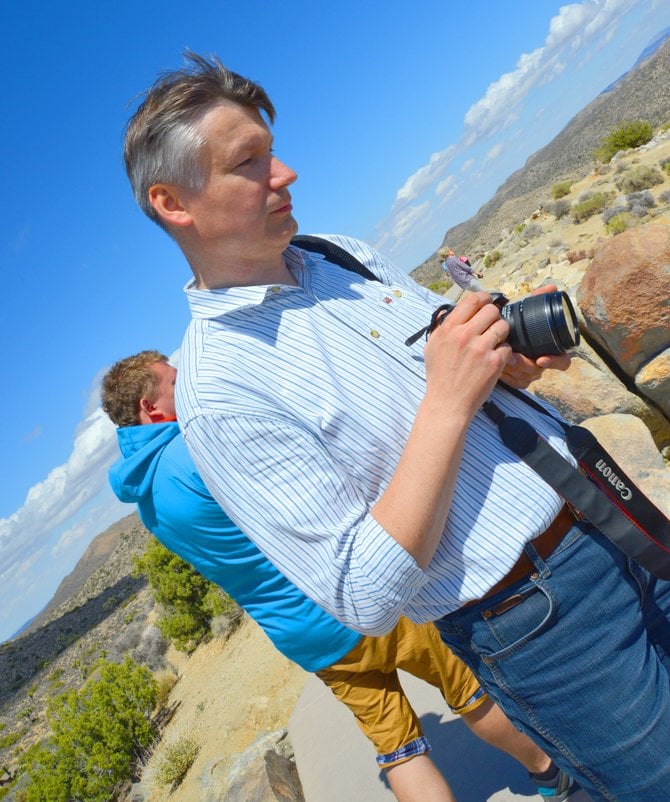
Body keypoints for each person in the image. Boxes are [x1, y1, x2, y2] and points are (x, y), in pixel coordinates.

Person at [121, 52, 670, 800]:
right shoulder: (220, 393)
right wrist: (445, 401)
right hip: (537, 621)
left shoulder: (340, 253)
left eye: (271, 152)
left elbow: (454, 382)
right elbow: (361, 595)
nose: (284, 175)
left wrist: (495, 365)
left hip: (604, 512)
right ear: (174, 204)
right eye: (247, 164)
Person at [100, 350, 570, 802]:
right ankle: (551, 776)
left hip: (304, 636)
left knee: (397, 748)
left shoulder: (148, 505)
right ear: (150, 407)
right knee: (468, 690)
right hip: (354, 595)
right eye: (177, 382)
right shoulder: (199, 447)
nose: (190, 384)